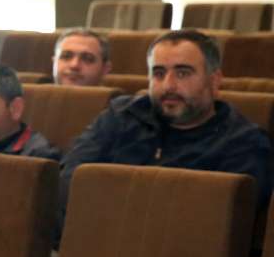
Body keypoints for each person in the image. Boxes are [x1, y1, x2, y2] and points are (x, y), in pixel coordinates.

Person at [59, 29, 272, 236]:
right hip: (90, 240)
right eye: (159, 73)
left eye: (183, 73)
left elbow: (215, 225)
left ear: (214, 81)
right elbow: (70, 182)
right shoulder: (121, 115)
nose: (168, 85)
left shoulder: (244, 144)